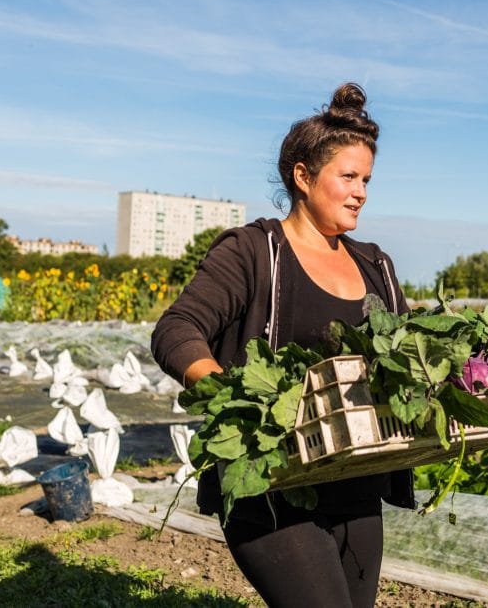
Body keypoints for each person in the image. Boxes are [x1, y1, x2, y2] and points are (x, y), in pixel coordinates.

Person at [150, 83, 414, 608]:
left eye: (367, 179)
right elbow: (177, 330)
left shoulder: (375, 264)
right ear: (302, 176)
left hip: (355, 479)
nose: (361, 191)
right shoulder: (254, 251)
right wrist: (238, 399)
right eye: (348, 177)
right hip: (270, 480)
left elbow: (407, 358)